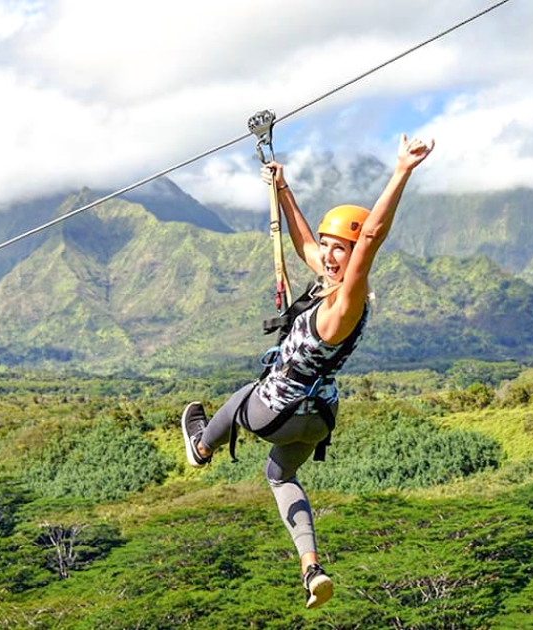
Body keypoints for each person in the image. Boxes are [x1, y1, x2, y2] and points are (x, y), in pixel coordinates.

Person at [181, 133, 434, 609]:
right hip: (318, 420)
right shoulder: (328, 282)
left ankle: (200, 445)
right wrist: (284, 191)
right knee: (279, 476)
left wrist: (401, 171)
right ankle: (311, 567)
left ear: (357, 255)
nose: (332, 255)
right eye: (329, 245)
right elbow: (304, 247)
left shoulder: (347, 298)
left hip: (278, 410)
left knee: (241, 398)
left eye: (343, 250)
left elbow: (372, 238)